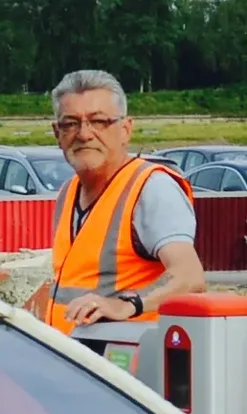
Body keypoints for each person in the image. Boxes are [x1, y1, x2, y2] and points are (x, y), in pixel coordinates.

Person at [35, 68, 205, 334]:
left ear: (125, 129)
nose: (84, 134)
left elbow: (189, 276)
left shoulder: (150, 189)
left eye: (99, 121)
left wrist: (126, 304)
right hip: (76, 361)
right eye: (71, 123)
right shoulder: (68, 192)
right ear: (57, 134)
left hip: (125, 363)